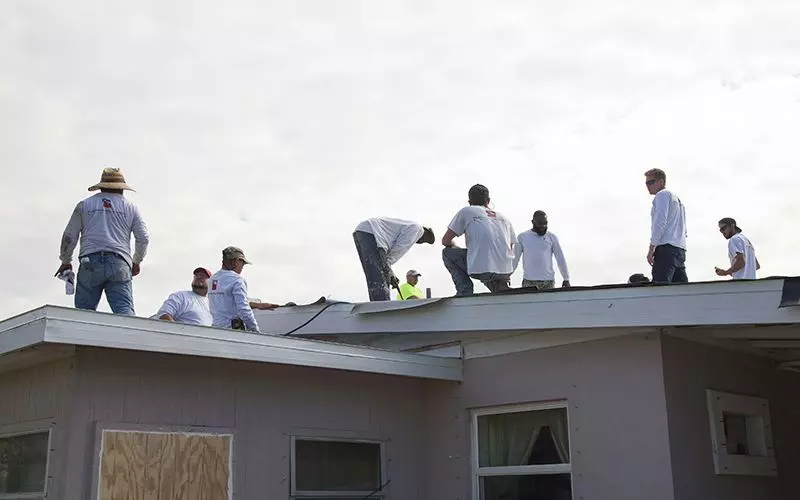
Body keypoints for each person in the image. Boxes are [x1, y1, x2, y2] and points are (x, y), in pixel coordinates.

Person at [55, 167, 150, 315]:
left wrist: (66, 260)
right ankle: (129, 337)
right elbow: (143, 237)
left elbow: (69, 236)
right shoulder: (131, 208)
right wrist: (136, 261)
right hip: (119, 263)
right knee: (124, 311)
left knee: (84, 314)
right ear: (122, 189)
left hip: (90, 261)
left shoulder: (85, 205)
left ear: (101, 187)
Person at [441, 184, 516, 295]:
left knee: (447, 253)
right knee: (485, 258)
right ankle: (498, 283)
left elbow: (445, 241)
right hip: (506, 271)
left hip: (483, 270)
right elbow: (510, 246)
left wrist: (454, 245)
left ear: (469, 201)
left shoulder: (467, 211)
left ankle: (464, 291)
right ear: (488, 200)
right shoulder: (504, 218)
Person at [353, 218, 435, 301]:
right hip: (372, 232)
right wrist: (389, 272)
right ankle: (383, 308)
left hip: (362, 231)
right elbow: (398, 250)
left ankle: (377, 306)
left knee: (373, 275)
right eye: (425, 240)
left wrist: (390, 273)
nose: (421, 242)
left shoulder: (406, 226)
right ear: (425, 232)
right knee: (380, 277)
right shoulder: (417, 229)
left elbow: (386, 258)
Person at [208, 246, 279, 333]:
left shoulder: (212, 279)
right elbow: (244, 309)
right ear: (237, 261)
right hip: (232, 331)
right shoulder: (237, 280)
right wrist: (255, 330)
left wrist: (258, 305)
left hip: (215, 330)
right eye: (243, 264)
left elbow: (227, 301)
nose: (242, 267)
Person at [645, 168, 687, 283]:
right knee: (682, 291)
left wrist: (651, 249)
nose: (648, 186)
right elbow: (685, 230)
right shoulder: (678, 200)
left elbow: (660, 222)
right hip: (680, 250)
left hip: (666, 248)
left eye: (651, 182)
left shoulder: (662, 195)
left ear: (661, 182)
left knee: (660, 289)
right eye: (646, 183)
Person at [512, 210, 570, 289]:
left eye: (545, 223)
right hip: (529, 282)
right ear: (533, 222)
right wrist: (507, 276)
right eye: (540, 223)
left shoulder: (552, 237)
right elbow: (515, 259)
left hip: (548, 282)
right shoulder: (522, 237)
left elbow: (560, 258)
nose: (543, 226)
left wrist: (566, 278)